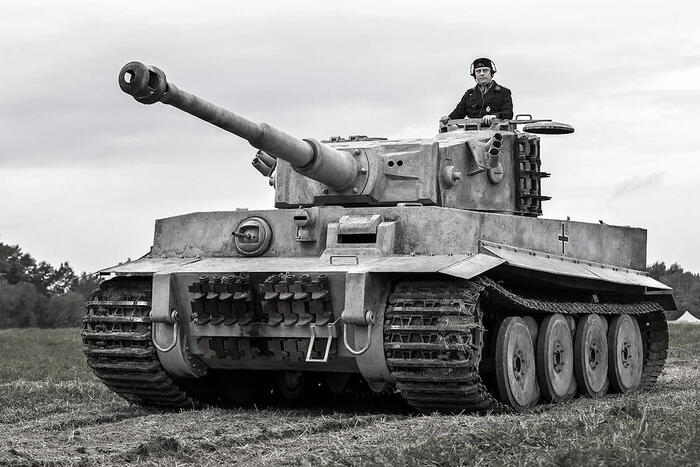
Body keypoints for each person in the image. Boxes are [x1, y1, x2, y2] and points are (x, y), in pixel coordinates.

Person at [441, 57, 513, 125]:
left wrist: (495, 116)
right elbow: (459, 112)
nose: (482, 74)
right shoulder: (469, 94)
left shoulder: (503, 92)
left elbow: (508, 113)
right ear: (474, 75)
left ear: (491, 73)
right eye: (478, 71)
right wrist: (449, 118)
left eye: (485, 70)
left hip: (495, 130)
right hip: (472, 130)